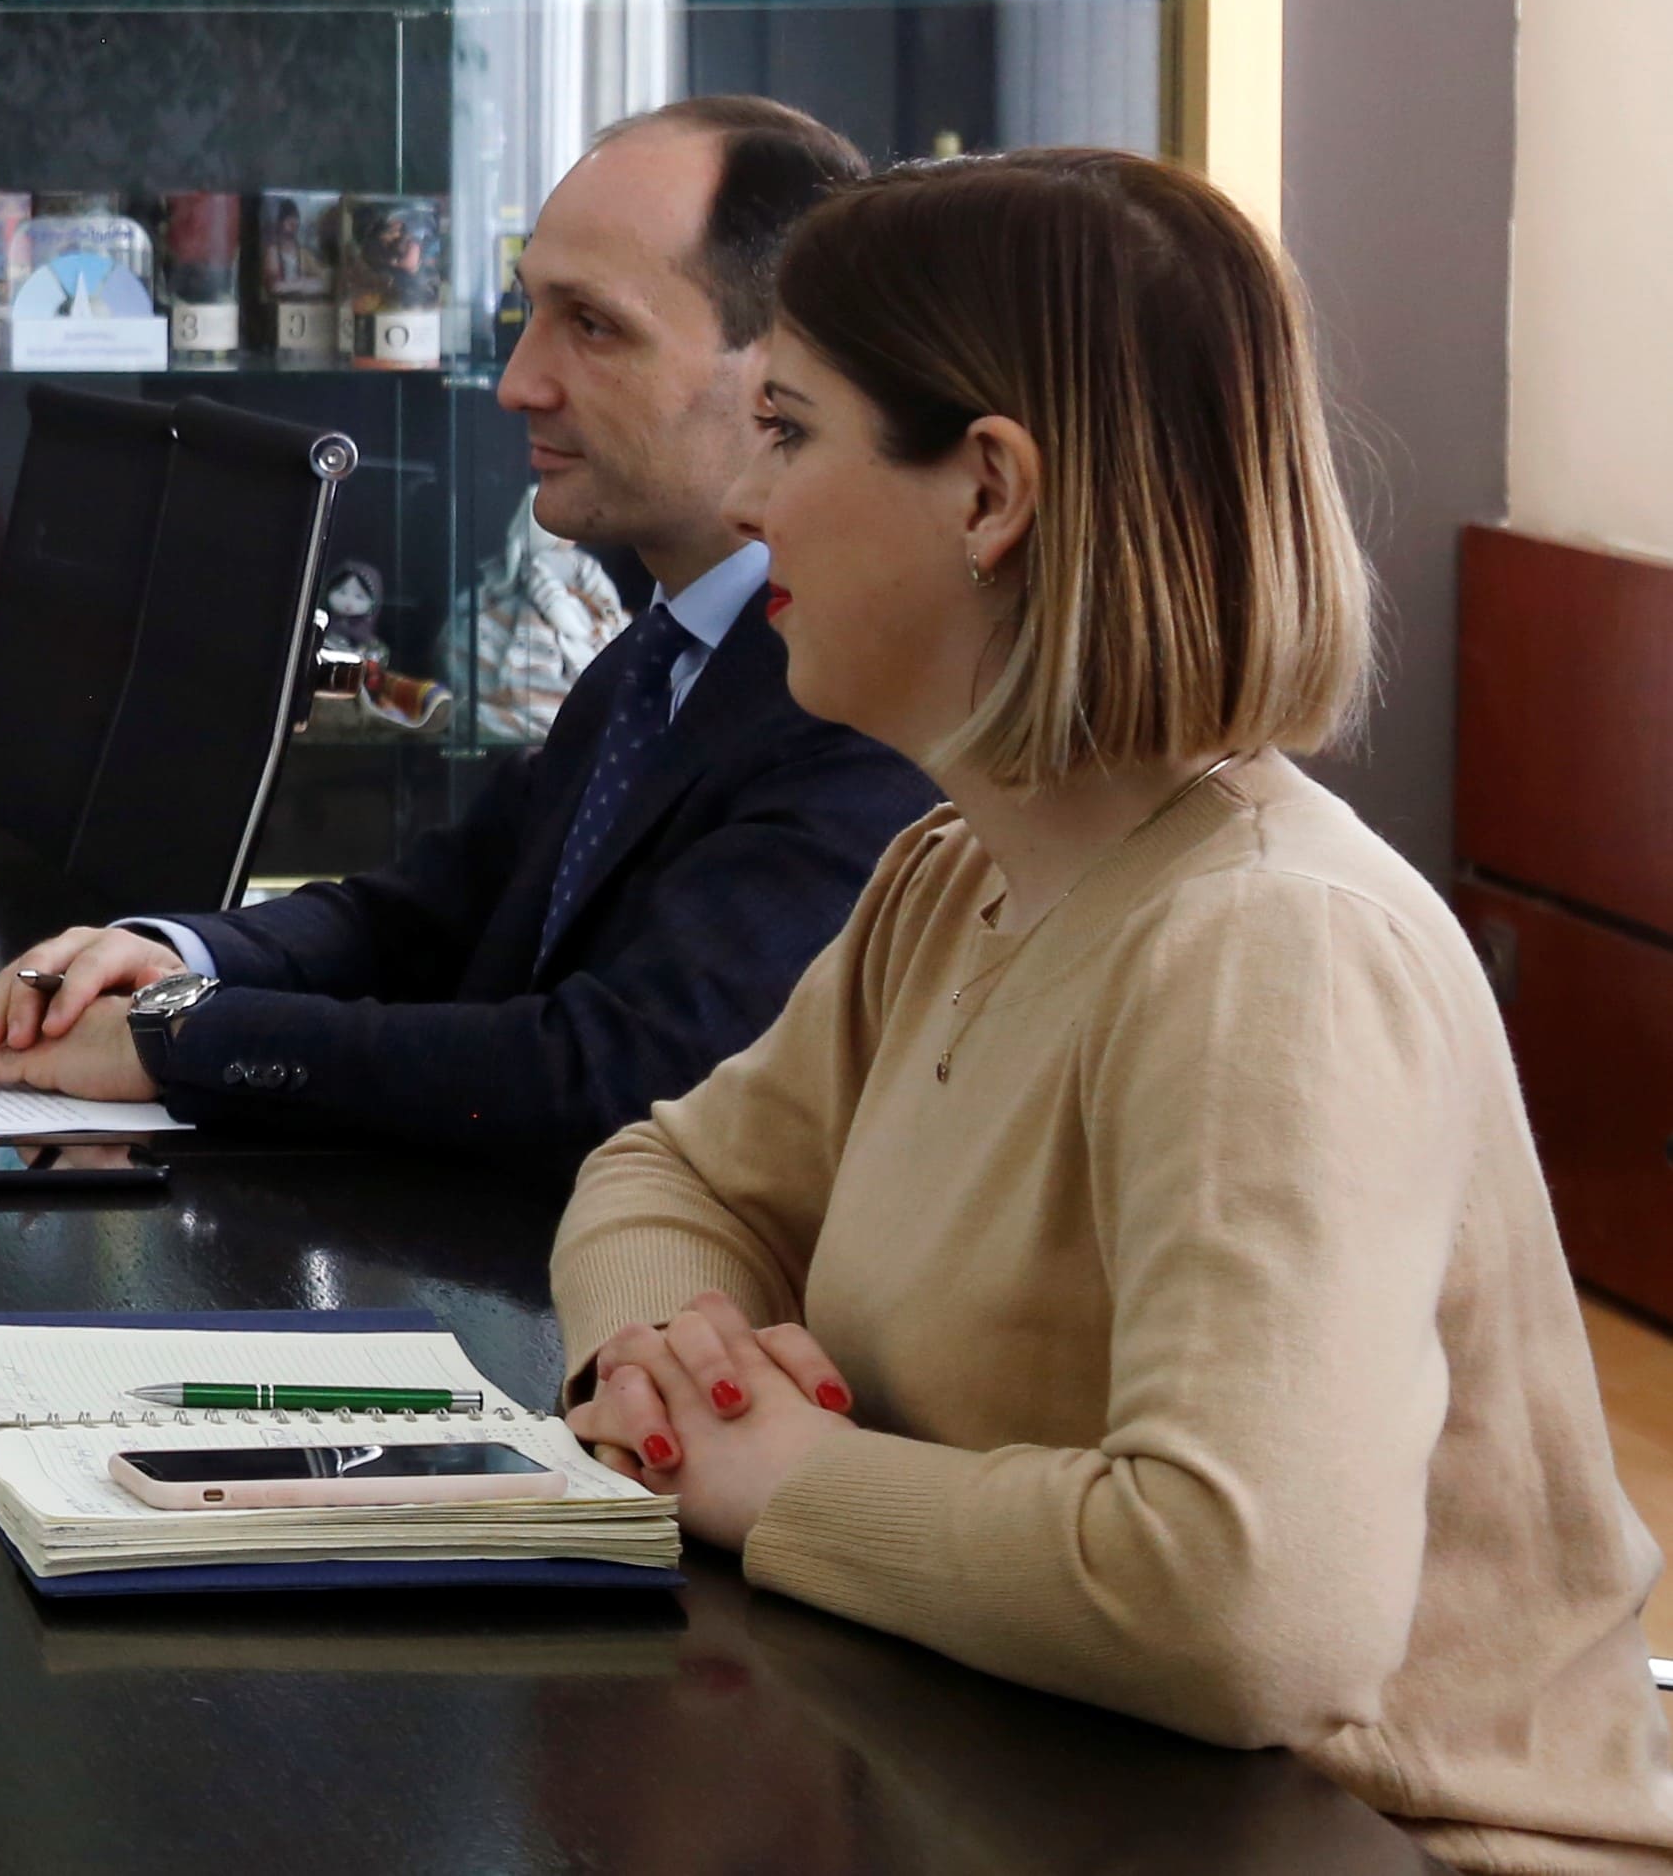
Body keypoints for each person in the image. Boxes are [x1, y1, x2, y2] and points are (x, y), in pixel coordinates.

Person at [556, 150, 1673, 1866]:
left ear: (987, 492)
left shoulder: (1270, 952)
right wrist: (674, 1373)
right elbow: (667, 1174)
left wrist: (785, 1479)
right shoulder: (957, 874)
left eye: (786, 430)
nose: (749, 500)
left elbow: (1247, 1607)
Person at [0, 97, 932, 1155]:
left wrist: (182, 1037)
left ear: (783, 370)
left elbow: (624, 1071)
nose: (517, 382)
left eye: (593, 325)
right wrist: (173, 955)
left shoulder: (857, 698)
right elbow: (425, 915)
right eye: (529, 312)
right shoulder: (660, 658)